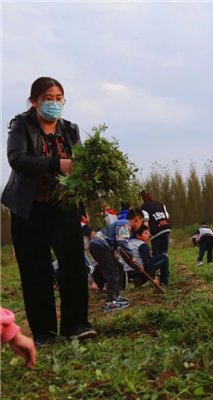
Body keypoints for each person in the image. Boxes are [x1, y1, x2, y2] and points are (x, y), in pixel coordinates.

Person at [1, 77, 96, 345]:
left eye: (59, 98)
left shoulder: (70, 129)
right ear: (34, 101)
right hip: (29, 208)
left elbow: (79, 169)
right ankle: (44, 333)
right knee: (35, 270)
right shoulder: (21, 126)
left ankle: (76, 325)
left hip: (63, 205)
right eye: (48, 98)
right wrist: (57, 163)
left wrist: (81, 207)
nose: (55, 103)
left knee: (73, 265)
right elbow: (17, 159)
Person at [89, 208, 144, 312]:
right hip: (100, 246)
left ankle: (116, 297)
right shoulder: (124, 223)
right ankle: (110, 302)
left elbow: (122, 251)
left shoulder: (123, 225)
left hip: (105, 247)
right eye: (142, 222)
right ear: (138, 219)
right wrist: (132, 257)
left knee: (119, 266)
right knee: (113, 271)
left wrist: (135, 266)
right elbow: (122, 243)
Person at [139, 190, 171, 284]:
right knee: (164, 253)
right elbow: (167, 216)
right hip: (166, 228)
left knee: (157, 255)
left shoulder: (144, 207)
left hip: (155, 231)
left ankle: (158, 278)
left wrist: (146, 233)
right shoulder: (160, 204)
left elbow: (145, 220)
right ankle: (165, 277)